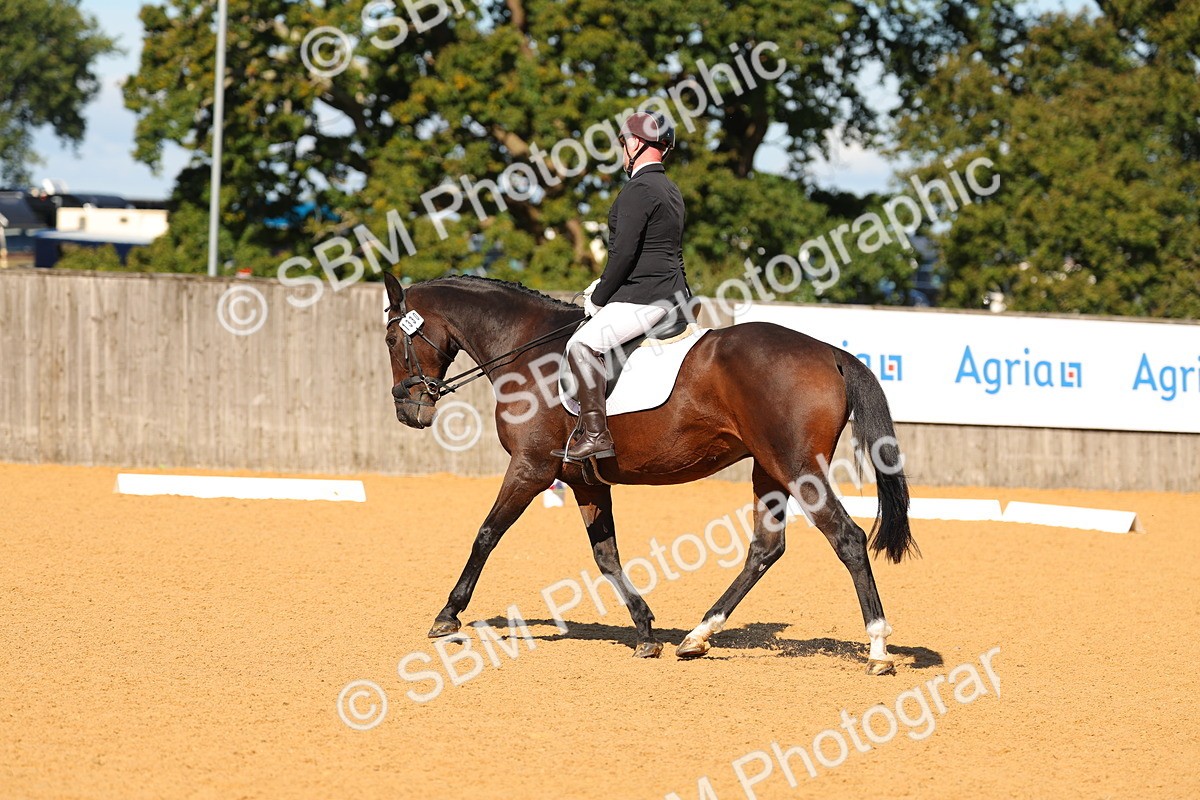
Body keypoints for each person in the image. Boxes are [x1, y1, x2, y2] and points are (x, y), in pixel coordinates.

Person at [553, 111, 692, 463]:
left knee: (581, 343)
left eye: (623, 141)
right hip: (670, 293)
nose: (621, 149)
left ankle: (596, 434)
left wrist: (599, 298)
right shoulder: (670, 190)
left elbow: (624, 253)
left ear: (637, 143)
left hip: (646, 296)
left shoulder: (638, 189)